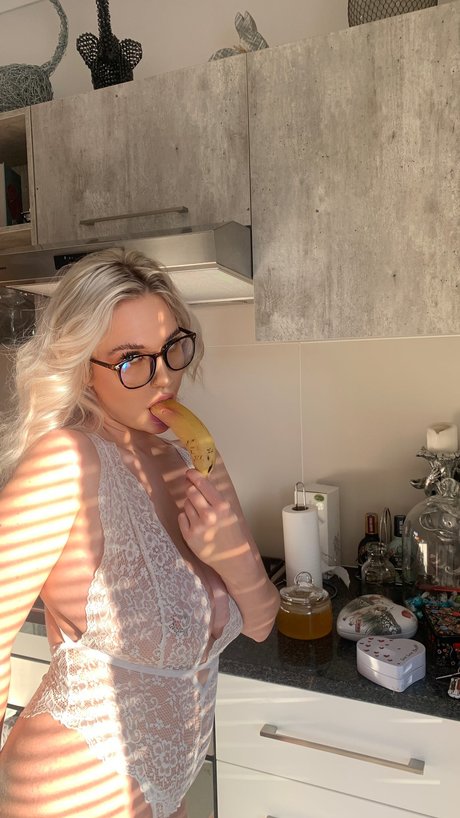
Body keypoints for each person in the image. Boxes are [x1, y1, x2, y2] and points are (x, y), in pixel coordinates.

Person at [0, 248, 280, 818]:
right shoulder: (67, 461)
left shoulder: (190, 457)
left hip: (167, 794)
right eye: (132, 360)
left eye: (172, 348)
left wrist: (231, 555)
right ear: (83, 367)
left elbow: (260, 622)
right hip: (68, 793)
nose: (166, 378)